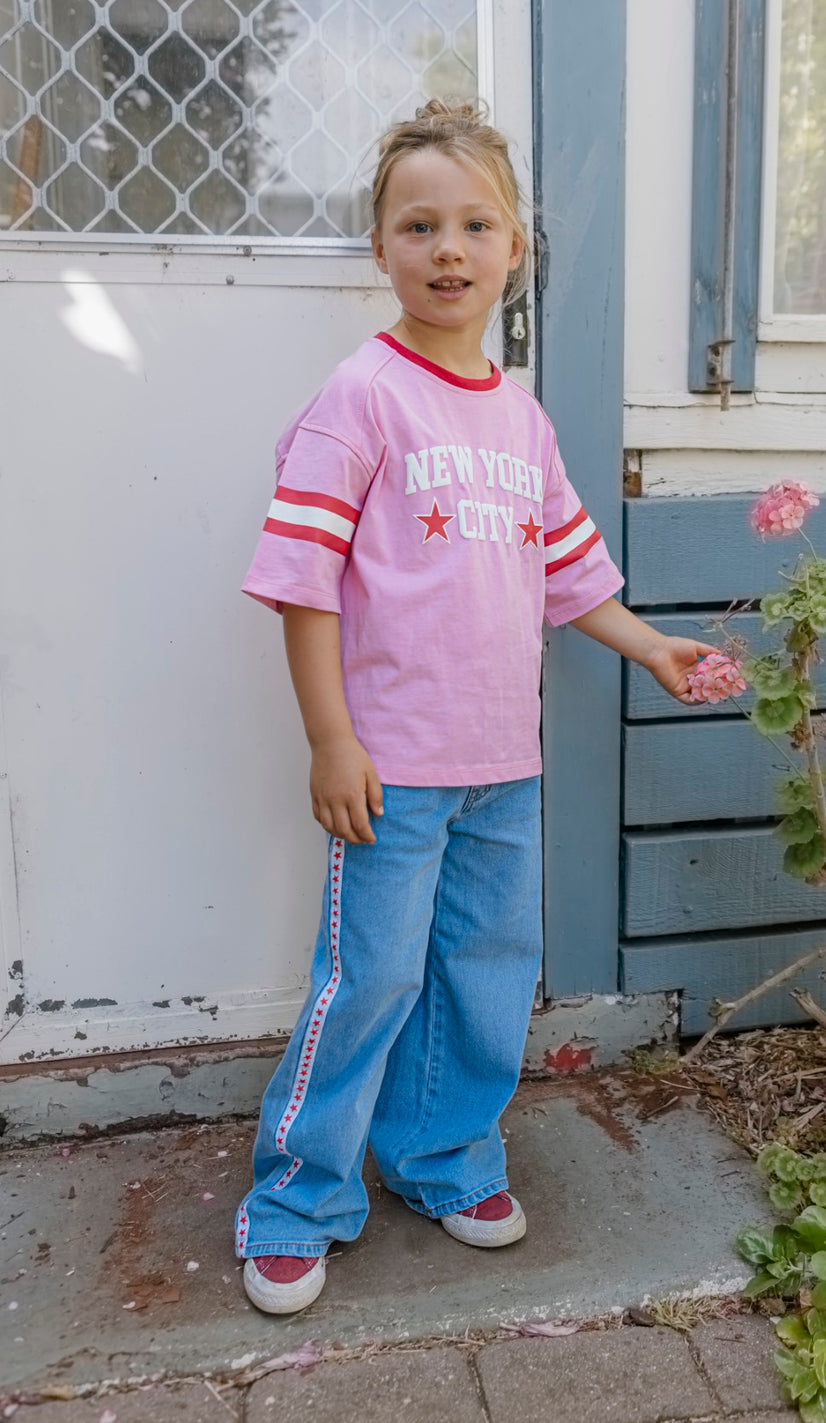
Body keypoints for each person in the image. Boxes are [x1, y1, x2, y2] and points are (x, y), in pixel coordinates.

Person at [235, 99, 715, 1315]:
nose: (447, 248)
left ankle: (441, 1156)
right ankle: (296, 1197)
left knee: (486, 970)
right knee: (373, 978)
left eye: (474, 224)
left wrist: (652, 645)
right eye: (417, 225)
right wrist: (330, 737)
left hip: (505, 764)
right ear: (382, 247)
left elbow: (569, 574)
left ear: (514, 249)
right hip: (391, 766)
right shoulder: (360, 397)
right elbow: (301, 582)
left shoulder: (521, 418)